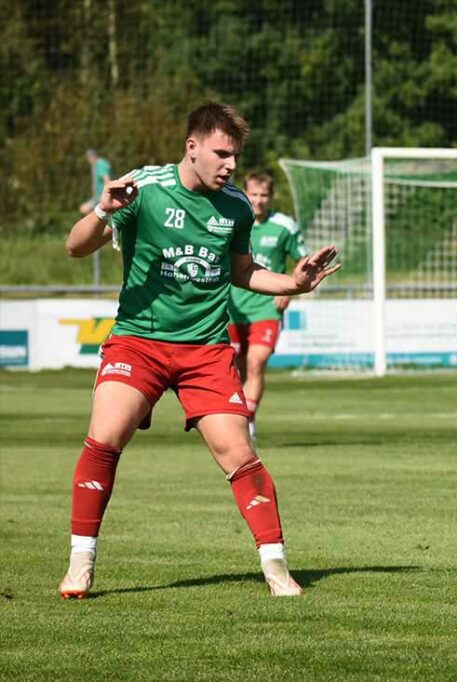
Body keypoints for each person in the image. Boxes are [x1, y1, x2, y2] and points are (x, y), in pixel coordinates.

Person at [60, 102, 340, 599]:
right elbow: (77, 247)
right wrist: (103, 209)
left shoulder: (233, 206)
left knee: (239, 452)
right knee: (105, 436)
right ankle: (81, 562)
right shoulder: (143, 188)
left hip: (205, 350)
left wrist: (294, 283)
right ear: (192, 147)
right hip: (139, 341)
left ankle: (276, 568)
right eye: (222, 154)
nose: (231, 165)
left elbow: (242, 270)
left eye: (235, 155)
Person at [227, 171, 309, 441]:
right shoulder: (234, 219)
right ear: (246, 193)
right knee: (235, 367)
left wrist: (291, 289)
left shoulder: (284, 225)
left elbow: (302, 259)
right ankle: (239, 415)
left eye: (264, 195)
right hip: (233, 306)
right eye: (254, 194)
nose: (259, 200)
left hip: (267, 307)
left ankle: (248, 421)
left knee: (256, 362)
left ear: (271, 197)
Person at [78, 149, 113, 216]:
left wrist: (106, 196)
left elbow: (107, 180)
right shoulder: (96, 165)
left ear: (92, 157)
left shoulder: (101, 164)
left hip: (102, 197)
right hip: (98, 197)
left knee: (83, 209)